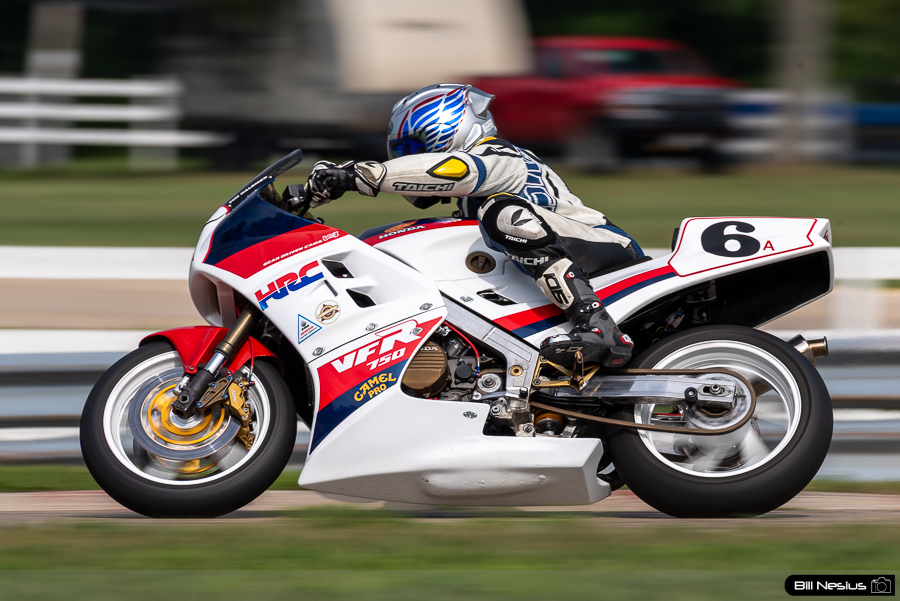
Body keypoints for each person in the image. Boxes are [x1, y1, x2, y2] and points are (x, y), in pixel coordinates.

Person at [304, 83, 642, 368]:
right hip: (571, 252)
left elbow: (450, 170)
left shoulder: (498, 157)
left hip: (604, 247)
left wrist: (359, 175)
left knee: (502, 213)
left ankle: (596, 324)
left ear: (447, 127)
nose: (406, 159)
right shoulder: (475, 190)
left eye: (413, 148)